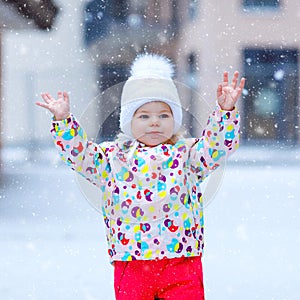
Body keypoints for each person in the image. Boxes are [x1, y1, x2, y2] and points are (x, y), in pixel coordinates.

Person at [36, 53, 245, 300]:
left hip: (182, 261)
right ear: (129, 121)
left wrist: (225, 111)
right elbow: (80, 156)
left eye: (164, 115)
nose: (154, 122)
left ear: (175, 120)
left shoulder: (187, 154)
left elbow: (217, 147)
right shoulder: (113, 159)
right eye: (144, 116)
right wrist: (63, 121)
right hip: (131, 261)